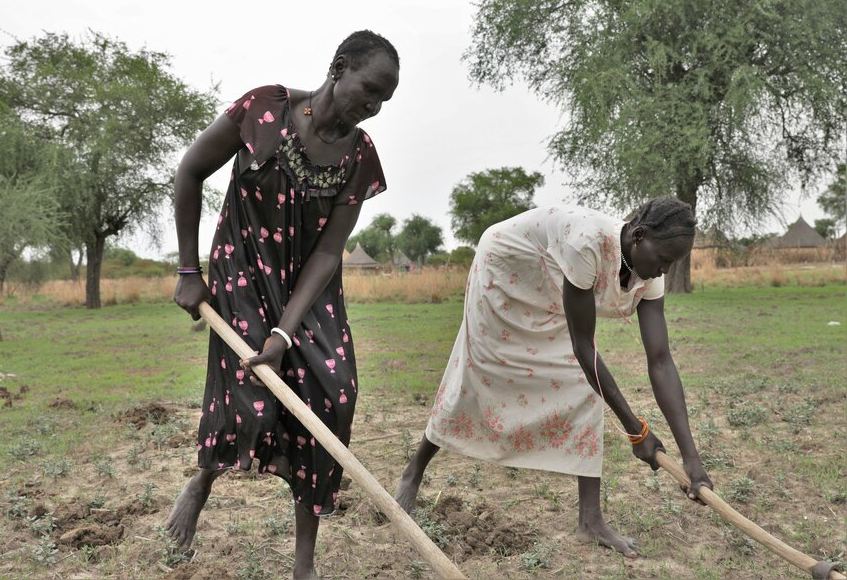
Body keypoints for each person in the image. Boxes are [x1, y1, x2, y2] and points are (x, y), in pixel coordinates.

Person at [167, 30, 399, 579]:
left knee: (334, 395)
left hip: (309, 291)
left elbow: (328, 253)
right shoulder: (262, 110)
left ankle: (304, 563)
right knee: (252, 397)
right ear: (338, 67)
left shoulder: (360, 156)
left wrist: (286, 333)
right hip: (242, 272)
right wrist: (187, 271)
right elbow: (190, 171)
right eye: (367, 91)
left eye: (382, 102)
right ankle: (203, 480)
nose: (371, 108)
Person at [395, 198, 713, 558]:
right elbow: (582, 346)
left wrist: (692, 459)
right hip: (506, 267)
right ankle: (413, 471)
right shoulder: (587, 242)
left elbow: (660, 361)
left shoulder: (649, 274)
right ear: (639, 236)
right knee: (476, 372)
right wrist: (636, 431)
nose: (662, 271)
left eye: (671, 264)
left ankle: (590, 521)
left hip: (550, 280)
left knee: (586, 388)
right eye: (663, 260)